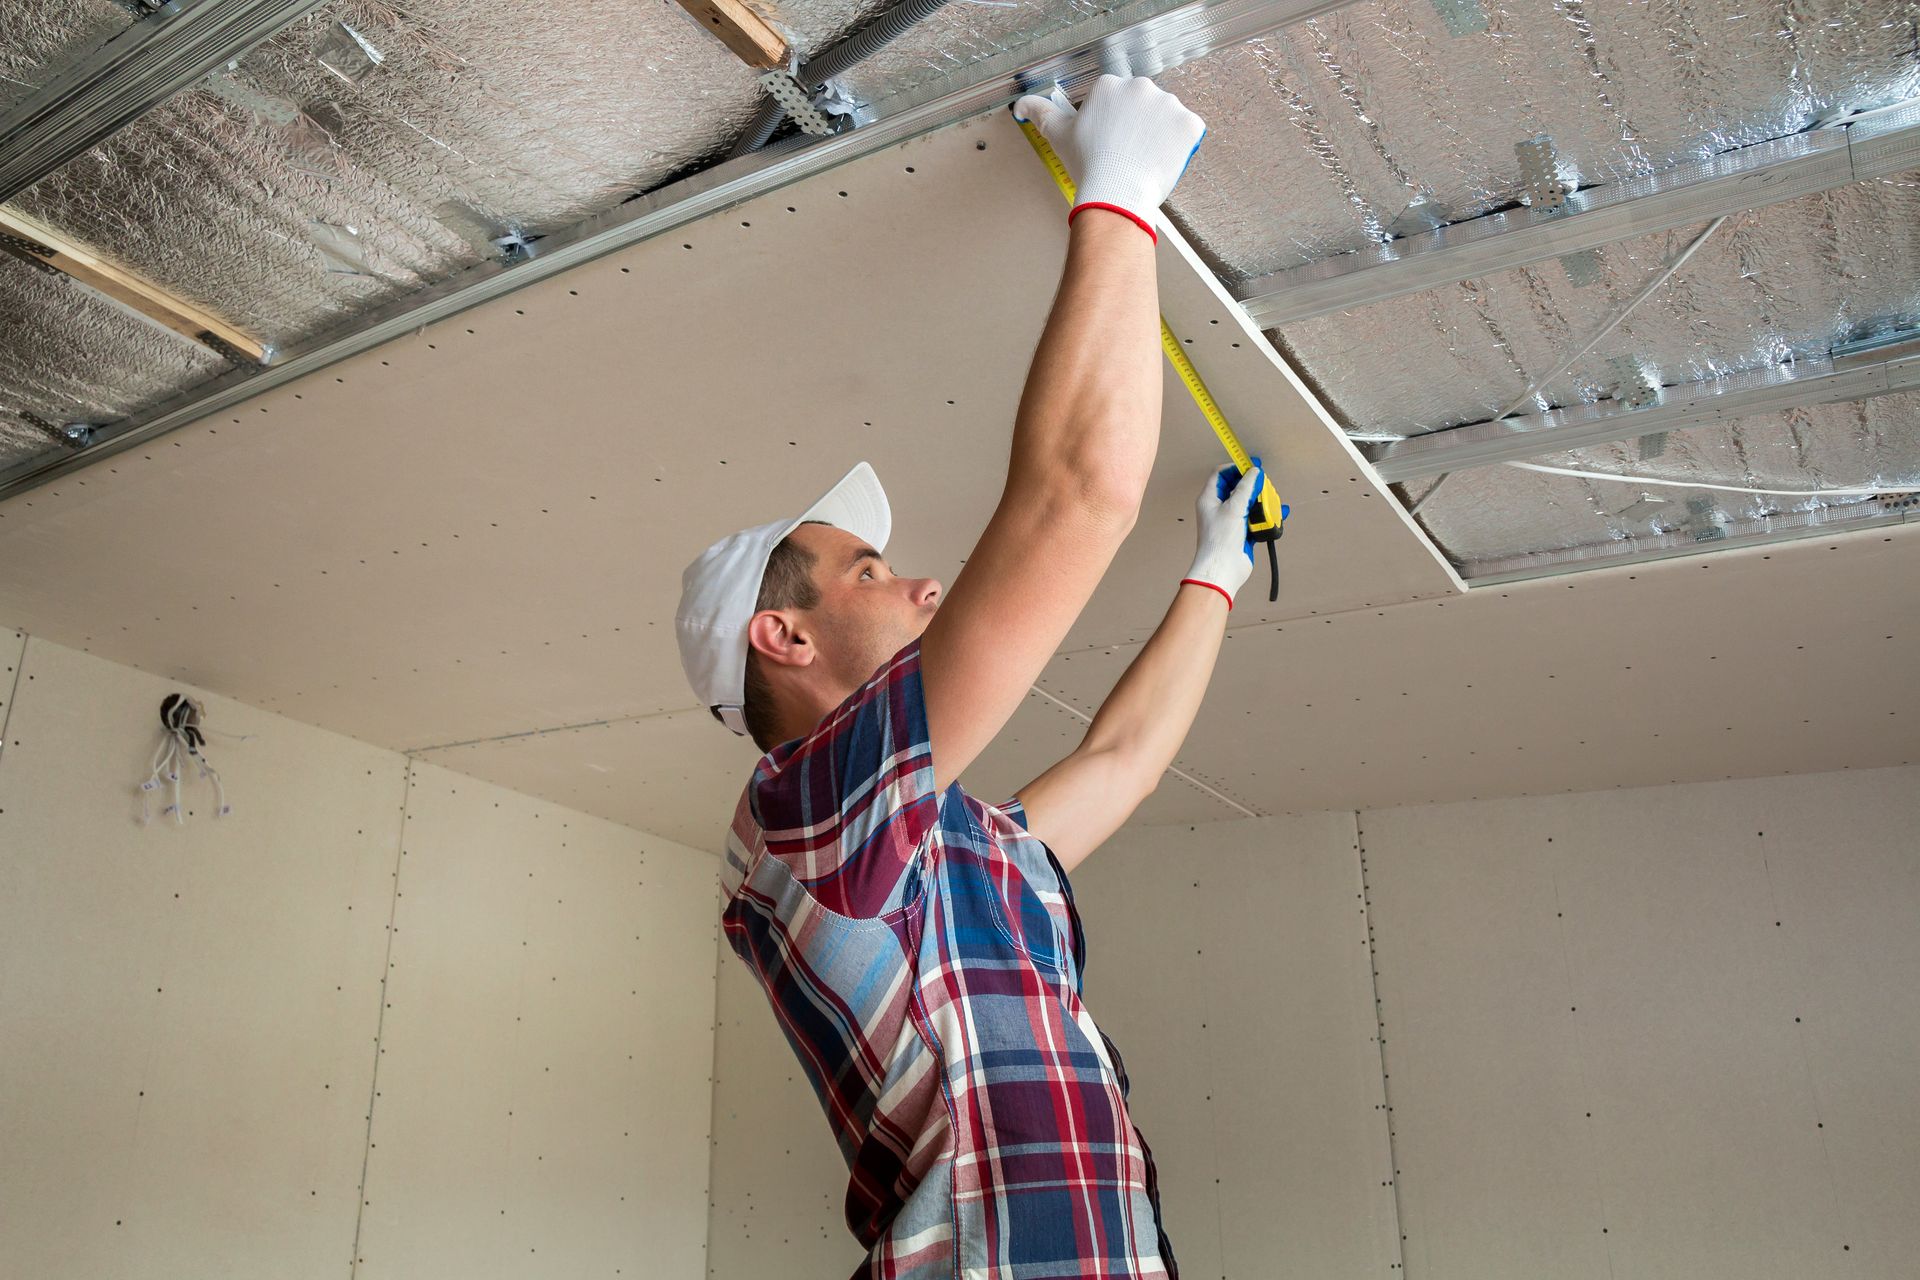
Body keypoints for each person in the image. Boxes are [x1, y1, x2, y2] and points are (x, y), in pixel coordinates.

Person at [675, 74, 1262, 1280]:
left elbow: (1124, 762)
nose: (924, 586)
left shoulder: (931, 843)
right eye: (872, 568)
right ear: (780, 637)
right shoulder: (798, 826)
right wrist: (1119, 199)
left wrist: (1214, 576)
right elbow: (1074, 503)